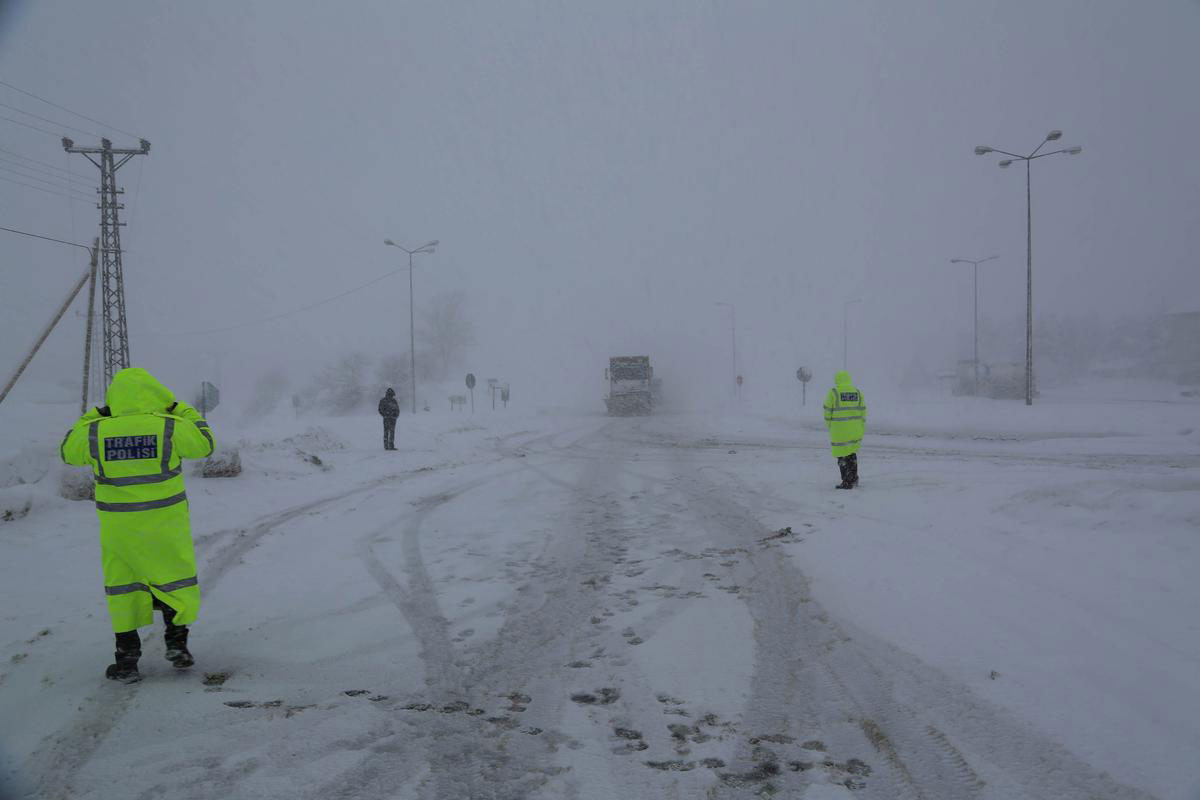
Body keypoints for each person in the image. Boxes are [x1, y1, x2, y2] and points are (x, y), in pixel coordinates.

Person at [59, 367, 215, 683]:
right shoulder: (170, 426)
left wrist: (96, 415)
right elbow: (205, 445)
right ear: (156, 395)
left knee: (124, 585)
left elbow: (68, 451)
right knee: (174, 580)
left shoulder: (96, 430)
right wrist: (180, 408)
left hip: (120, 529)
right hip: (166, 524)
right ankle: (177, 646)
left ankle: (127, 661)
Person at [823, 370, 867, 489]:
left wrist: (830, 424)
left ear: (837, 380)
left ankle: (847, 482)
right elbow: (863, 411)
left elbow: (827, 411)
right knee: (852, 454)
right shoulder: (857, 393)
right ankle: (854, 478)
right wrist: (860, 426)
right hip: (855, 431)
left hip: (840, 431)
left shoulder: (834, 393)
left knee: (842, 456)